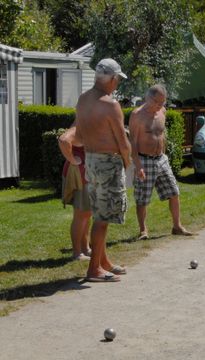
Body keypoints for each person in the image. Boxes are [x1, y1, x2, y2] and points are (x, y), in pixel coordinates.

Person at [76, 58, 131, 282]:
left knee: (99, 212)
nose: (117, 83)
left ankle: (103, 261)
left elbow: (79, 135)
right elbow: (122, 141)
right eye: (117, 79)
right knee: (103, 217)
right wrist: (128, 162)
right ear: (111, 78)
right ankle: (94, 270)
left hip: (90, 160)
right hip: (108, 162)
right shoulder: (110, 105)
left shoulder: (83, 99)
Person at [129, 84, 193, 240]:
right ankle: (143, 230)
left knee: (174, 192)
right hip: (144, 160)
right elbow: (133, 142)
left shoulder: (162, 112)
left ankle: (177, 226)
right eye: (157, 102)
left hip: (161, 159)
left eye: (162, 103)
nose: (160, 106)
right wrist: (138, 165)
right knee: (142, 198)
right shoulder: (137, 115)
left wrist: (163, 154)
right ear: (148, 98)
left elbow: (161, 134)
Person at [58, 126, 92, 261]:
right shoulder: (80, 126)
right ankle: (77, 252)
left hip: (85, 172)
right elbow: (63, 140)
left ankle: (85, 248)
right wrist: (73, 160)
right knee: (81, 214)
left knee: (87, 213)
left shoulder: (87, 124)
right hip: (80, 174)